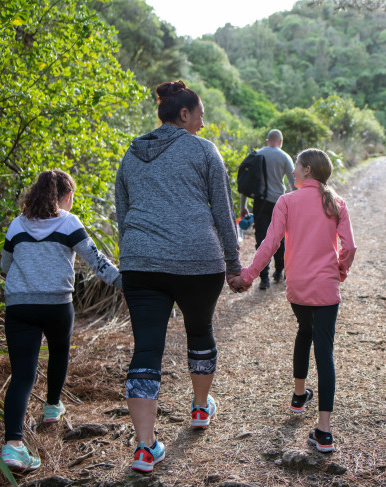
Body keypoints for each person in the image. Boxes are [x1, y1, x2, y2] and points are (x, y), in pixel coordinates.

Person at [115, 80, 241, 473]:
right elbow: (223, 210)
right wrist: (234, 263)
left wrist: (139, 248)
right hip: (198, 261)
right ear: (183, 114)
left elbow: (123, 210)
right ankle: (201, 409)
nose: (203, 124)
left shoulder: (131, 153)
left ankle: (144, 447)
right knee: (200, 331)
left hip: (140, 262)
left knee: (146, 348)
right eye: (200, 115)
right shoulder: (204, 150)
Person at [230, 149, 356, 453]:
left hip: (298, 288)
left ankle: (299, 396)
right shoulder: (336, 203)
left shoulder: (287, 201)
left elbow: (270, 243)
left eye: (297, 167)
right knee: (324, 352)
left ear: (308, 170)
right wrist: (339, 272)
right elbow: (350, 247)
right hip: (326, 288)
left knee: (304, 331)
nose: (294, 172)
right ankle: (324, 432)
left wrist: (247, 276)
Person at [0, 170, 122, 472]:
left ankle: (13, 446)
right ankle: (52, 407)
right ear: (66, 197)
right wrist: (130, 283)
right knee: (58, 353)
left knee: (22, 375)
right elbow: (98, 264)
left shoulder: (17, 225)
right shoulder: (70, 222)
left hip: (20, 306)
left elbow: (5, 265)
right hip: (56, 305)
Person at [239, 129, 295, 289]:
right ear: (281, 142)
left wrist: (243, 206)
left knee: (262, 239)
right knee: (280, 238)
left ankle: (264, 279)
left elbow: (246, 182)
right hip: (279, 203)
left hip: (260, 202)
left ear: (267, 141)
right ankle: (278, 271)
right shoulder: (285, 157)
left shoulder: (257, 154)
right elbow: (294, 185)